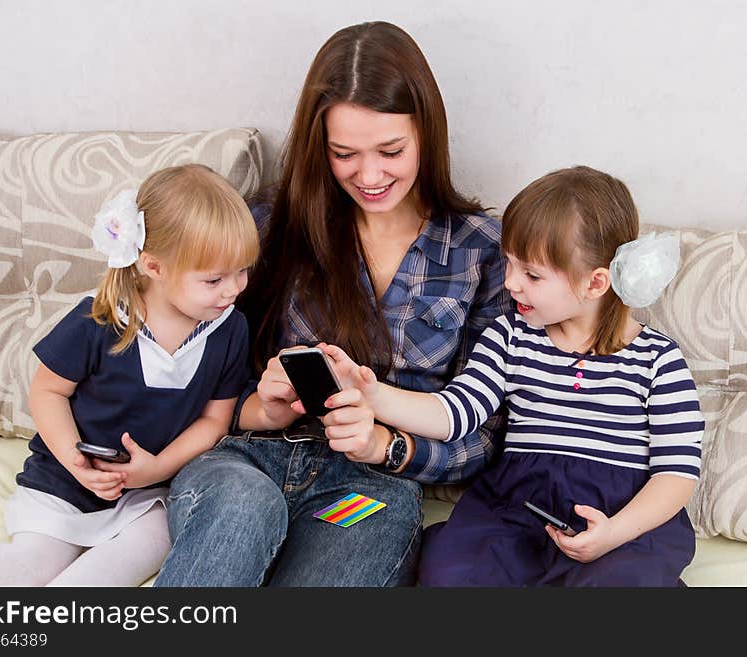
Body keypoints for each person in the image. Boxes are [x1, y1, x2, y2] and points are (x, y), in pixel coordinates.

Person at [154, 21, 509, 587]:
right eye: (344, 154)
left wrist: (388, 447)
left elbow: (484, 436)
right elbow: (182, 368)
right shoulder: (266, 228)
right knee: (245, 509)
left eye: (391, 150)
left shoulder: (481, 253)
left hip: (368, 489)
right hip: (246, 460)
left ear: (428, 135)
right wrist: (259, 403)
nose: (369, 176)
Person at [321, 165, 704, 586]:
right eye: (509, 264)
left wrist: (615, 533)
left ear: (595, 283)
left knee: (624, 580)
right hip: (517, 509)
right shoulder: (509, 336)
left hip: (618, 520)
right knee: (450, 569)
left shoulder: (658, 359)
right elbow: (453, 413)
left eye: (532, 274)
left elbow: (676, 475)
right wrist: (373, 396)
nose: (510, 283)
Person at [0, 164, 259, 586]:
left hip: (148, 495)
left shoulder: (229, 328)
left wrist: (154, 471)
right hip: (64, 480)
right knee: (28, 567)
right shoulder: (97, 320)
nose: (234, 289)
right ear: (153, 267)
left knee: (133, 555)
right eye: (214, 279)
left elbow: (215, 420)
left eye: (243, 271)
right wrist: (75, 462)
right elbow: (47, 392)